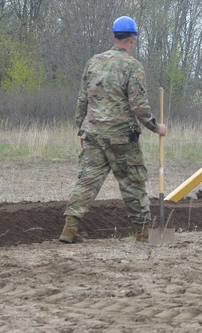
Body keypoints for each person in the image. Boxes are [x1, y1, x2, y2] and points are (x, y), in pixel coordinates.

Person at [59, 15, 167, 244]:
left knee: (86, 181)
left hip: (93, 135)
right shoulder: (133, 66)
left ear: (113, 36)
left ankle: (70, 228)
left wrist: (82, 130)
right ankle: (143, 233)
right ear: (133, 39)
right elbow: (139, 105)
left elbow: (82, 100)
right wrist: (156, 127)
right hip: (121, 138)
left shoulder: (93, 62)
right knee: (133, 184)